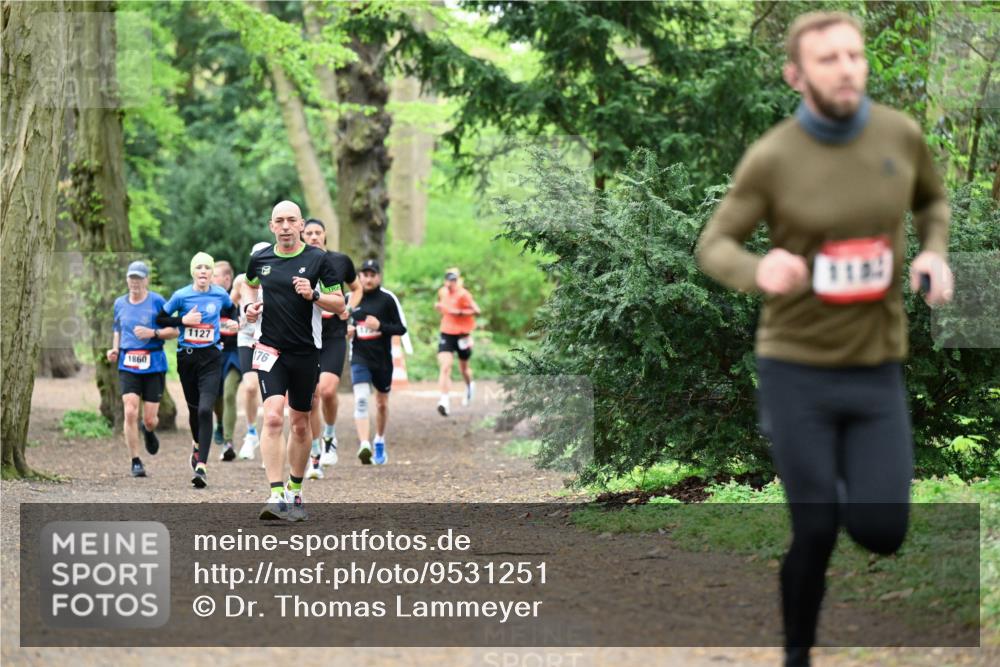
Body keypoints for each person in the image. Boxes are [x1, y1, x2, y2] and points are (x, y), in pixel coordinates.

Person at [694, 12, 953, 667]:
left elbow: (932, 202)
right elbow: (714, 245)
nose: (847, 68)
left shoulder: (899, 134)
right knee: (814, 529)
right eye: (829, 58)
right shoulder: (775, 155)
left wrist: (935, 253)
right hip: (796, 369)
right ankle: (798, 653)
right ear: (796, 74)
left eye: (854, 56)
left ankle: (839, 483)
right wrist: (759, 269)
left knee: (882, 530)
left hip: (874, 369)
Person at [244, 201, 347, 521]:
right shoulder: (260, 258)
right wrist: (249, 309)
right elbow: (248, 285)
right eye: (279, 221)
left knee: (300, 423)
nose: (286, 226)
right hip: (270, 350)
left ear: (301, 225)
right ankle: (276, 495)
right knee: (273, 417)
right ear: (271, 226)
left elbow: (340, 304)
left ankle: (295, 489)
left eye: (291, 220)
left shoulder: (319, 260)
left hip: (305, 352)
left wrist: (314, 295)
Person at [157, 252, 235, 489]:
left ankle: (201, 465)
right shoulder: (181, 295)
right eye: (199, 267)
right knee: (193, 410)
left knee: (205, 409)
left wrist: (231, 323)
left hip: (211, 358)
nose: (203, 271)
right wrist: (183, 321)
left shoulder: (220, 294)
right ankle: (197, 443)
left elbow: (232, 311)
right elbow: (160, 319)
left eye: (207, 268)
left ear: (212, 273)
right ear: (193, 272)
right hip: (187, 359)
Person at [106, 261, 178, 478]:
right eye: (131, 278)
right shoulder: (119, 303)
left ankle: (149, 430)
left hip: (154, 363)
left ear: (146, 280)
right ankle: (135, 460)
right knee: (129, 410)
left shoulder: (157, 301)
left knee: (149, 418)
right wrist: (115, 349)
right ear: (127, 280)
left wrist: (152, 333)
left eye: (139, 278)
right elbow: (117, 329)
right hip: (128, 363)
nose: (134, 283)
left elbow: (174, 330)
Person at [302, 218, 358, 479]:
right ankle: (315, 454)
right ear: (303, 236)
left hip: (334, 334)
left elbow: (356, 289)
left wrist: (349, 308)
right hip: (306, 336)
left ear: (325, 235)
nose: (313, 237)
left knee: (326, 390)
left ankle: (330, 436)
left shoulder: (340, 262)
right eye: (309, 233)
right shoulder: (297, 263)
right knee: (310, 397)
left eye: (318, 233)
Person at [348, 259, 407, 466]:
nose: (368, 278)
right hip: (359, 358)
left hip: (382, 360)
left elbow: (401, 329)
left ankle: (379, 440)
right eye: (365, 274)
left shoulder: (387, 299)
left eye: (372, 275)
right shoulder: (351, 298)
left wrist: (380, 325)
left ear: (378, 277)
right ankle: (364, 444)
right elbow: (338, 324)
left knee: (381, 403)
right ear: (359, 277)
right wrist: (345, 332)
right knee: (362, 399)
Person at [235, 242, 273, 461]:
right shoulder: (242, 281)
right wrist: (233, 321)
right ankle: (251, 433)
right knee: (250, 387)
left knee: (270, 393)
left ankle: (269, 436)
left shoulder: (275, 280)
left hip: (268, 339)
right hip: (247, 337)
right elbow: (229, 303)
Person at [434, 267, 481, 416]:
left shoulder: (464, 294)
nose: (450, 283)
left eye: (453, 280)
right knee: (445, 366)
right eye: (448, 279)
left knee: (463, 369)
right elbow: (443, 307)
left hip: (462, 335)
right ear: (445, 280)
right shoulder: (442, 292)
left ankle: (469, 386)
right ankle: (444, 401)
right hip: (446, 333)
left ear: (458, 280)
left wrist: (459, 312)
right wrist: (440, 308)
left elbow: (477, 310)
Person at [211, 260, 242, 461]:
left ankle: (229, 442)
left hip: (236, 353)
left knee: (230, 392)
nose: (211, 279)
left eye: (215, 276)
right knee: (216, 396)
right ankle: (220, 423)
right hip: (215, 354)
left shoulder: (239, 299)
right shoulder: (210, 301)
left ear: (227, 279)